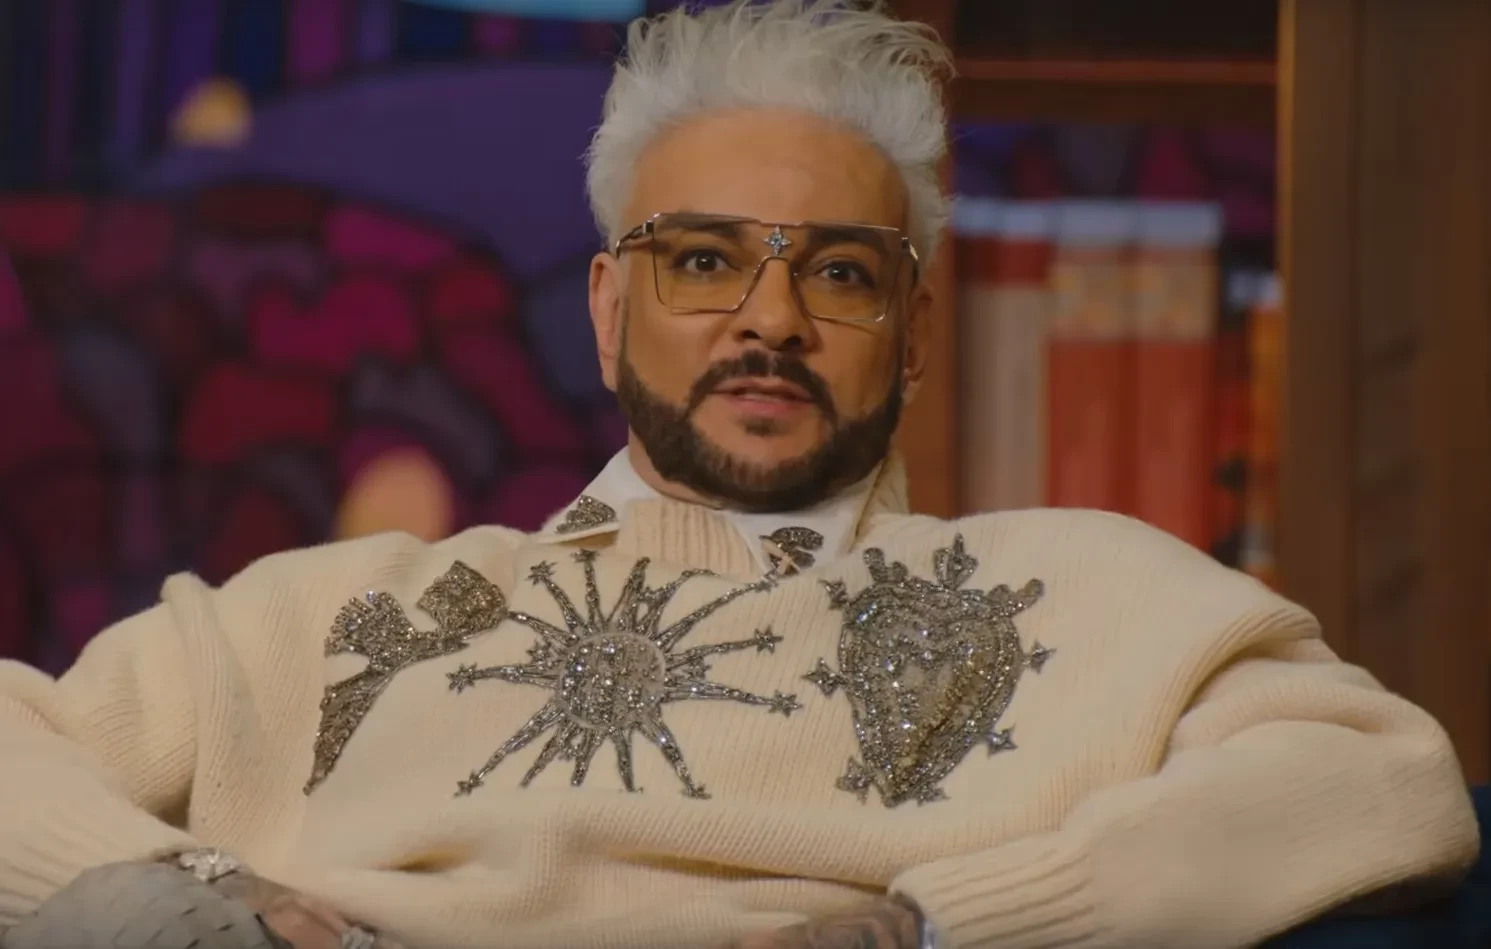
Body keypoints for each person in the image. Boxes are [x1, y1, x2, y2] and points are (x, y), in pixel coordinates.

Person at [0, 2, 1479, 948]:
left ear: (911, 333)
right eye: (702, 261)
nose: (769, 319)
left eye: (837, 272)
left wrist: (943, 926)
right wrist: (209, 895)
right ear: (606, 308)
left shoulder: (1082, 594)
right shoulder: (333, 617)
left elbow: (1383, 782)